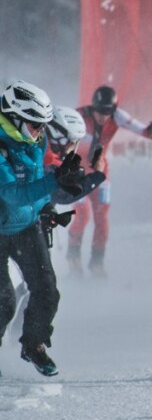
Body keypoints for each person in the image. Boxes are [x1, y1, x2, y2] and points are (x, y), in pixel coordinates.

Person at [0, 80, 86, 377]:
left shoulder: (36, 142)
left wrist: (48, 208)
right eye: (35, 125)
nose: (40, 133)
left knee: (47, 291)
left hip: (27, 227)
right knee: (4, 302)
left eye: (42, 126)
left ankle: (33, 343)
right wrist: (54, 181)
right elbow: (12, 193)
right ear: (14, 116)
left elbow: (36, 184)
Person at [67, 85, 152, 277]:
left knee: (102, 217)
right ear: (93, 107)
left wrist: (150, 132)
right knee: (82, 215)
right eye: (99, 111)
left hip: (101, 174)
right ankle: (73, 255)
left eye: (107, 112)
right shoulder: (80, 116)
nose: (103, 116)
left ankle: (97, 261)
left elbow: (140, 128)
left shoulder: (117, 116)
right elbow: (58, 131)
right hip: (78, 174)